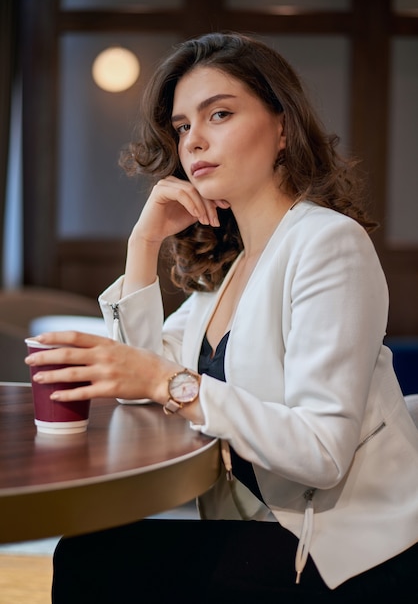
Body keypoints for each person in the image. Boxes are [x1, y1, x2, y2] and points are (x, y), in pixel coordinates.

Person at [25, 31, 418, 602]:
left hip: (350, 551)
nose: (195, 142)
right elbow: (140, 393)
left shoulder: (329, 243)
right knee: (92, 549)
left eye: (220, 114)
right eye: (183, 126)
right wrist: (142, 245)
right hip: (265, 531)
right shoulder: (232, 271)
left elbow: (322, 451)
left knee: (94, 561)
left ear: (283, 127)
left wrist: (167, 382)